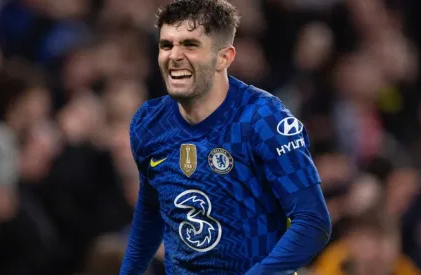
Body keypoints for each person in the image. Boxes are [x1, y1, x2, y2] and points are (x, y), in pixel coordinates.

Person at [120, 0, 331, 274]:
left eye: (190, 45)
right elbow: (150, 212)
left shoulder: (264, 119)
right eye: (166, 45)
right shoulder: (149, 123)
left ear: (224, 57)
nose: (174, 55)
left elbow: (313, 221)